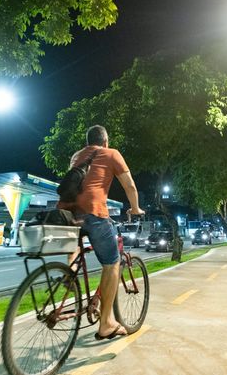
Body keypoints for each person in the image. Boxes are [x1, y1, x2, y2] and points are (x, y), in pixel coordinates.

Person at [58, 125, 145, 340]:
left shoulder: (77, 156)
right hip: (94, 212)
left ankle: (70, 270)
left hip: (67, 213)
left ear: (88, 142)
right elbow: (130, 186)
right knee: (112, 263)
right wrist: (135, 208)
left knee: (77, 242)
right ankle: (106, 323)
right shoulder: (111, 153)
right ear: (105, 141)